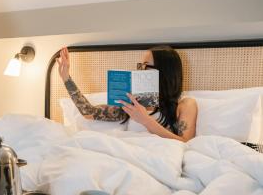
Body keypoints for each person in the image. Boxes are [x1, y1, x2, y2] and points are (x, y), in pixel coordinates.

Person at [56, 46, 197, 142]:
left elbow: (185, 142)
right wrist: (66, 78)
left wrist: (145, 120)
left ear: (164, 71)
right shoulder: (133, 102)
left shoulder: (185, 105)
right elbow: (88, 112)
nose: (140, 71)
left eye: (145, 66)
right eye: (139, 66)